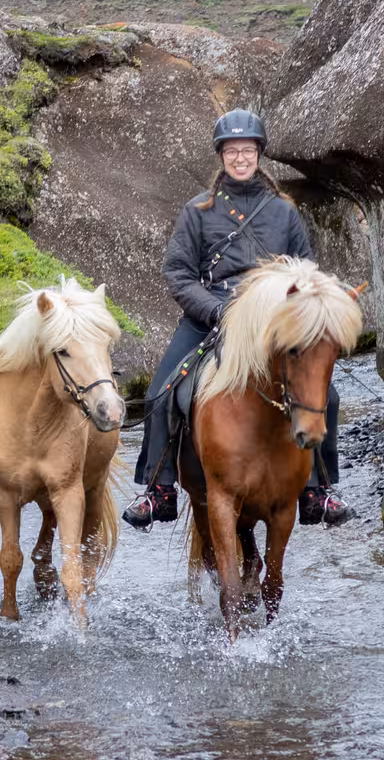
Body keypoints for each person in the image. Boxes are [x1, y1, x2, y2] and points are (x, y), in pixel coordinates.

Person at [125, 109, 349, 529]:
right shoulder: (198, 211)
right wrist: (216, 309)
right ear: (221, 155)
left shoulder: (284, 212)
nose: (240, 158)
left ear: (259, 154)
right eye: (232, 151)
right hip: (210, 316)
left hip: (271, 325)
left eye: (248, 150)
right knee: (161, 392)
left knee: (328, 397)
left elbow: (307, 269)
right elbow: (178, 273)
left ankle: (319, 490)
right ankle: (160, 490)